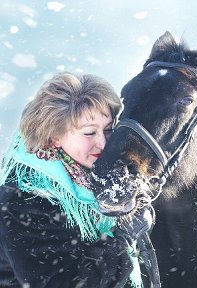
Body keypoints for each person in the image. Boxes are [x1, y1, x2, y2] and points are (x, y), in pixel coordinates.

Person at [0, 72, 148, 288]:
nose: (103, 143)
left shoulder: (96, 176)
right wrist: (122, 239)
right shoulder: (22, 201)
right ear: (54, 137)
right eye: (89, 133)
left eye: (108, 130)